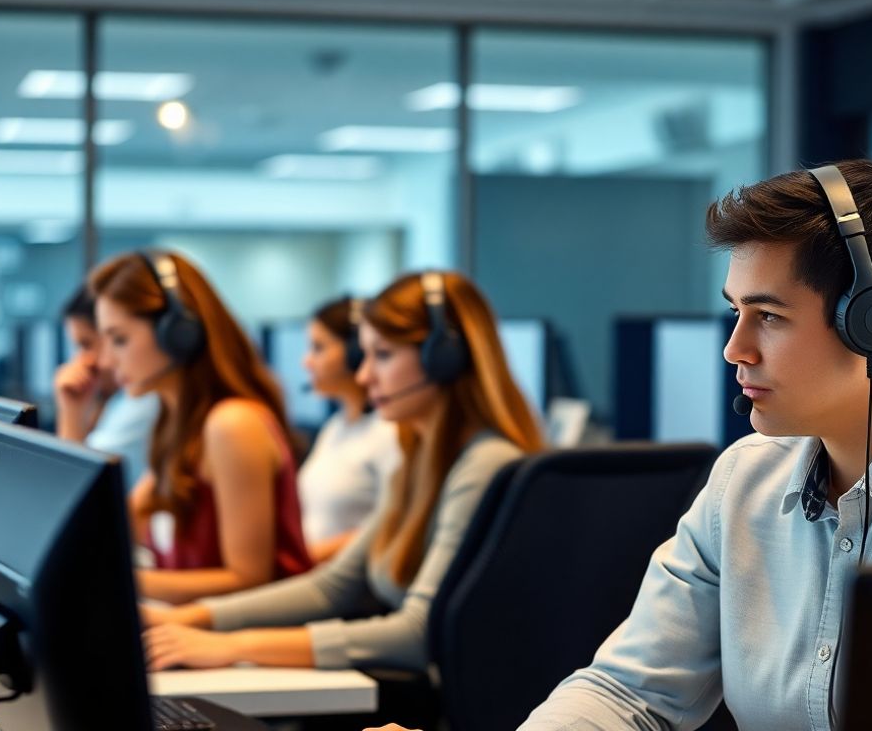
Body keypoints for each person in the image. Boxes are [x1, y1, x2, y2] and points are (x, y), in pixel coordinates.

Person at [383, 159, 872, 731]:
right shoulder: (744, 481)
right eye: (735, 313)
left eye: (767, 316)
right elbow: (630, 692)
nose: (735, 349)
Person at [140, 270, 543, 674]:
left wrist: (229, 645)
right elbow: (333, 587)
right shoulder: (419, 464)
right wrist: (189, 619)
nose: (365, 376)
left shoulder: (485, 465)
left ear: (444, 359)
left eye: (383, 355)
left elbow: (418, 634)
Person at [89, 250, 312, 604]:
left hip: (248, 645)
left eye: (119, 339)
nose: (105, 361)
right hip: (197, 638)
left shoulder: (233, 424)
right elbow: (111, 531)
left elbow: (250, 579)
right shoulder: (176, 426)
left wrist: (123, 584)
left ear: (178, 333)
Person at [297, 296, 401, 564]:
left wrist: (300, 560)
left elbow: (391, 529)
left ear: (356, 353)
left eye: (318, 348)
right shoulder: (335, 428)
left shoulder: (390, 433)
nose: (306, 362)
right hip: (313, 575)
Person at [52, 285, 159, 491]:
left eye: (86, 344)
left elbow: (73, 490)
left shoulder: (146, 401)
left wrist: (70, 414)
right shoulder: (120, 400)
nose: (82, 361)